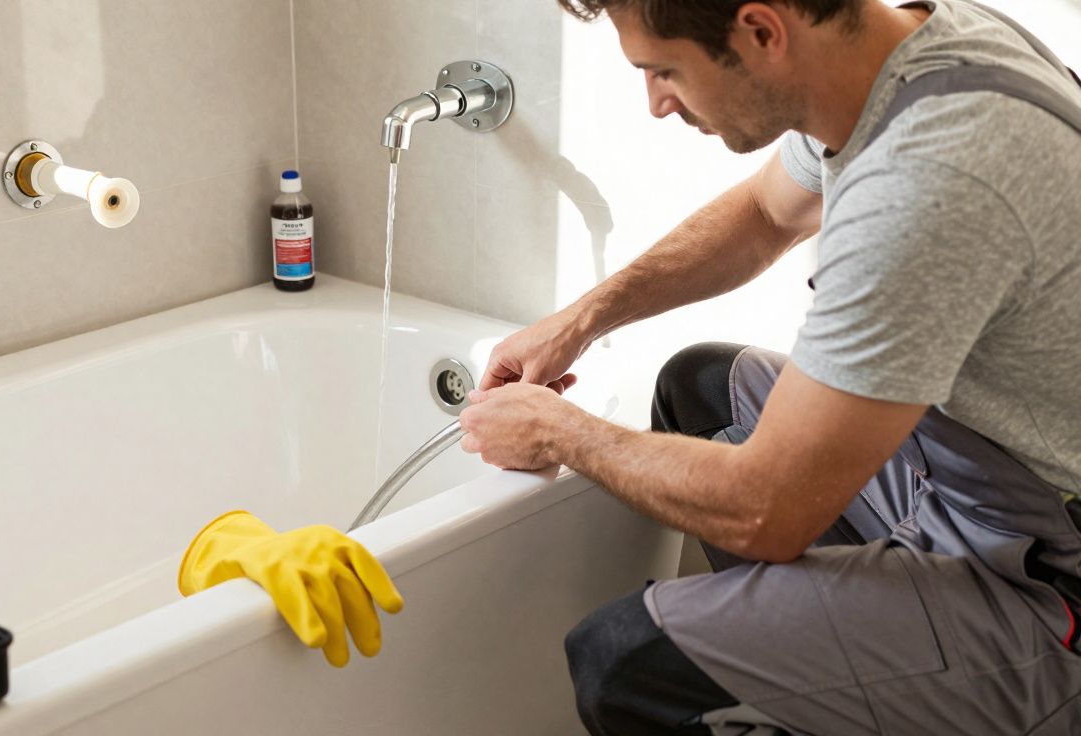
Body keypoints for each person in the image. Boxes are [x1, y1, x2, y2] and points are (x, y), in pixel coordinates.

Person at [456, 0, 1081, 733]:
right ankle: (848, 678)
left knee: (623, 663)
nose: (656, 104)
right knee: (702, 392)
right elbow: (765, 215)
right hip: (972, 474)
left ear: (761, 31)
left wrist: (559, 433)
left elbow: (767, 513)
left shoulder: (932, 177)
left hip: (1047, 578)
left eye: (664, 71)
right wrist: (580, 321)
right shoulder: (901, 54)